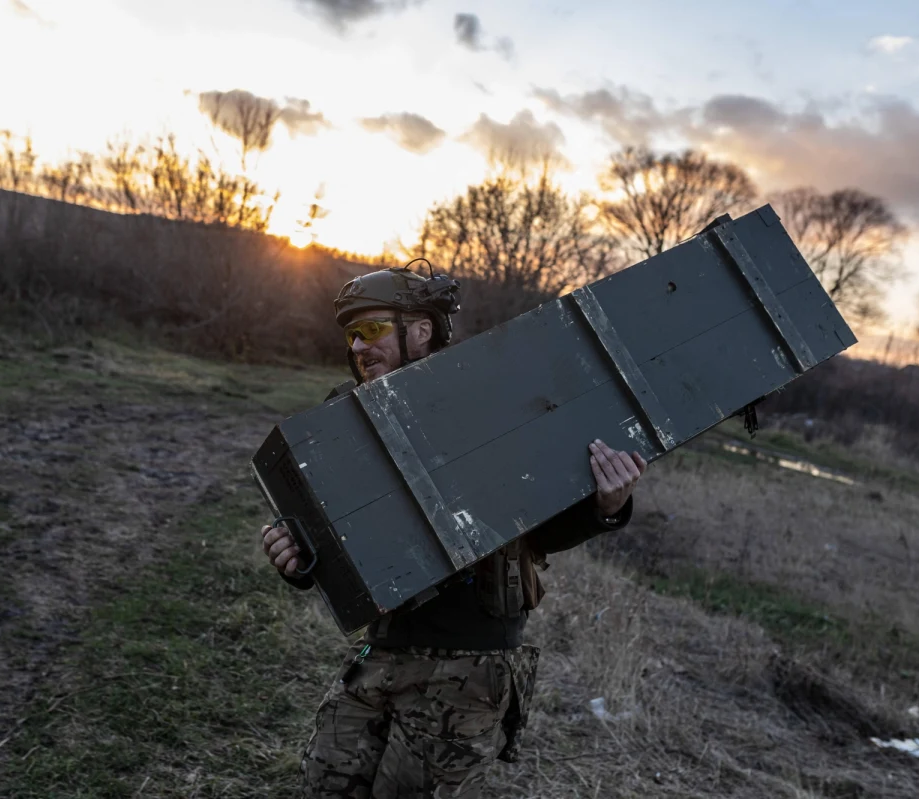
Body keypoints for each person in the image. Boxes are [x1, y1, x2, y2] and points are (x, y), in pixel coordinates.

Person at [259, 262, 646, 798]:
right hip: (383, 653)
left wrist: (606, 505)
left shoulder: (494, 408)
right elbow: (327, 540)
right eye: (351, 336)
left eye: (371, 330)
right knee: (323, 785)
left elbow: (537, 532)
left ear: (419, 331)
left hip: (468, 668)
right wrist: (297, 558)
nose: (358, 348)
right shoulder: (344, 421)